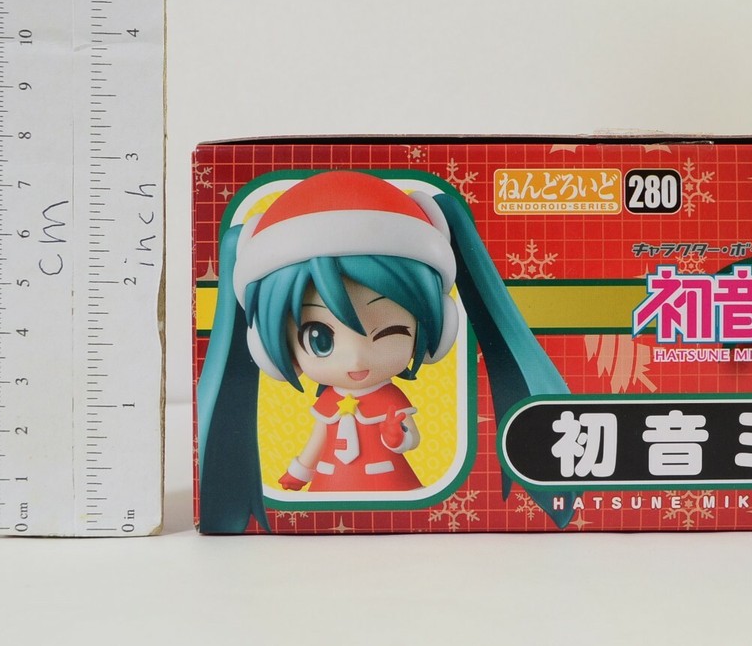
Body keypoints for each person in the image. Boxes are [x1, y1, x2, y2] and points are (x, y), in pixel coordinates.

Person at [197, 170, 572, 532]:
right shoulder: (329, 402)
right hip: (328, 488)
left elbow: (411, 437)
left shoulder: (390, 400)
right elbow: (317, 441)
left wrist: (399, 436)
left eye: (389, 332)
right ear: (271, 347)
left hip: (392, 486)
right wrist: (299, 472)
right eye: (320, 339)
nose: (357, 359)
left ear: (437, 326)